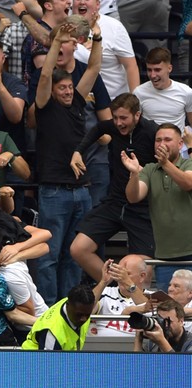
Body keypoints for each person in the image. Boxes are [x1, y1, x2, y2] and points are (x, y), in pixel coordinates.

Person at [33, 22, 101, 305]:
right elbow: (46, 73)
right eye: (62, 88)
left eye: (70, 87)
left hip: (81, 190)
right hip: (54, 191)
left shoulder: (76, 104)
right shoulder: (44, 106)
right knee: (49, 256)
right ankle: (49, 309)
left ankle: (70, 308)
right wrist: (57, 41)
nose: (68, 91)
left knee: (74, 255)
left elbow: (94, 69)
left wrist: (97, 38)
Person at [69, 93, 157, 282]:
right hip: (115, 202)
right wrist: (78, 152)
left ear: (137, 115)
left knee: (143, 267)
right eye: (115, 117)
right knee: (78, 248)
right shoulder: (113, 127)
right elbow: (98, 129)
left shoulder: (152, 132)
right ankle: (114, 289)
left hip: (143, 208)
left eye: (123, 118)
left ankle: (134, 297)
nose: (118, 123)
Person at [122, 124, 192, 292]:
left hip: (191, 253)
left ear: (180, 143)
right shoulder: (150, 169)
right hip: (164, 256)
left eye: (168, 140)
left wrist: (166, 163)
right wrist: (134, 174)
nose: (162, 143)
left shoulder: (188, 163)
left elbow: (187, 182)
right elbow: (134, 196)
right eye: (158, 140)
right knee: (167, 307)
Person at [133, 47, 192, 135]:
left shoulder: (186, 92)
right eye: (149, 70)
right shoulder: (138, 92)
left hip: (177, 146)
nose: (152, 75)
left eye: (157, 70)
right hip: (149, 145)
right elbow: (134, 125)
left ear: (169, 68)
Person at [21, 284, 96, 350]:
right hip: (33, 361)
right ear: (68, 305)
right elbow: (47, 364)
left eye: (87, 315)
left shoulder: (80, 306)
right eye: (79, 315)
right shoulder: (52, 334)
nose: (84, 319)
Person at [89, 256, 150, 336]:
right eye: (118, 272)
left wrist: (129, 284)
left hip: (139, 346)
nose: (120, 277)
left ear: (142, 276)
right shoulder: (105, 292)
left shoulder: (153, 296)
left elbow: (151, 314)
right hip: (104, 346)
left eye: (126, 274)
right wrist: (103, 282)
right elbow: (86, 308)